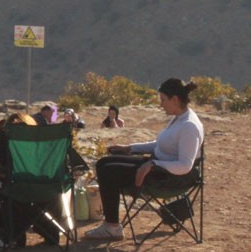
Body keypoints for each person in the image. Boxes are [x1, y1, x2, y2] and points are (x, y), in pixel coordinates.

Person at [85, 78, 204, 241]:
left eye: (163, 100)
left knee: (109, 171)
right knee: (104, 162)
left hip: (168, 177)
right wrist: (129, 148)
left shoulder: (189, 126)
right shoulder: (178, 118)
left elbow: (185, 165)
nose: (161, 104)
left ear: (175, 99)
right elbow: (160, 145)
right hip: (156, 167)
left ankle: (112, 227)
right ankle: (111, 224)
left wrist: (153, 164)